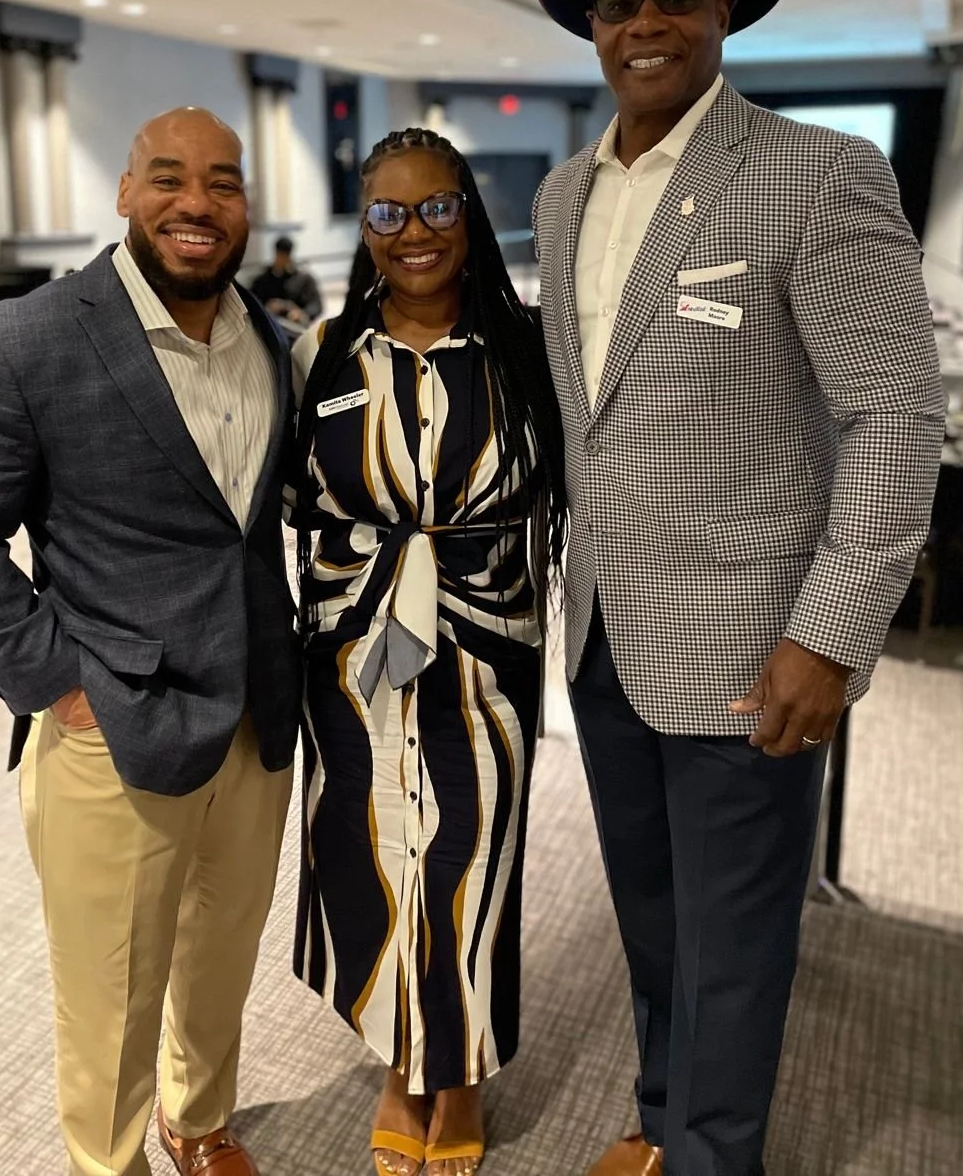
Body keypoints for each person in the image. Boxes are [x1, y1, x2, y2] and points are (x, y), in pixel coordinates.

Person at [530, 0, 944, 1176]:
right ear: (590, 26)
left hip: (747, 645)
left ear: (721, 11)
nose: (642, 21)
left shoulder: (814, 174)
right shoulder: (559, 195)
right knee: (648, 924)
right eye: (617, 1)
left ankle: (713, 1157)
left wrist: (825, 638)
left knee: (735, 937)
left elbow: (891, 418)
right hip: (600, 630)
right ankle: (661, 1125)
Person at [0, 108, 299, 1176]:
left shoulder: (273, 340)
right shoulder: (27, 339)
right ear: (125, 194)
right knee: (111, 991)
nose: (197, 204)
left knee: (220, 959)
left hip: (254, 722)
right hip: (112, 732)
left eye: (223, 181)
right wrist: (61, 686)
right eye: (169, 178)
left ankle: (198, 1122)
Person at [289, 127, 568, 1176]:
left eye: (438, 208)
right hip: (350, 657)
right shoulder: (320, 355)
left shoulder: (530, 353)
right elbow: (281, 503)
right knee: (371, 854)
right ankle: (393, 1061)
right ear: (363, 229)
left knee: (467, 861)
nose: (415, 234)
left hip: (486, 653)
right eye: (388, 213)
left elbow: (581, 494)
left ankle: (454, 1077)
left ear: (470, 215)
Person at [250, 234, 323, 330]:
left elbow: (316, 305)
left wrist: (301, 313)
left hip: (296, 328)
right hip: (271, 328)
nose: (282, 259)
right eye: (280, 255)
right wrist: (266, 309)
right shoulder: (263, 280)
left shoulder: (304, 280)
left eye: (285, 255)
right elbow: (252, 302)